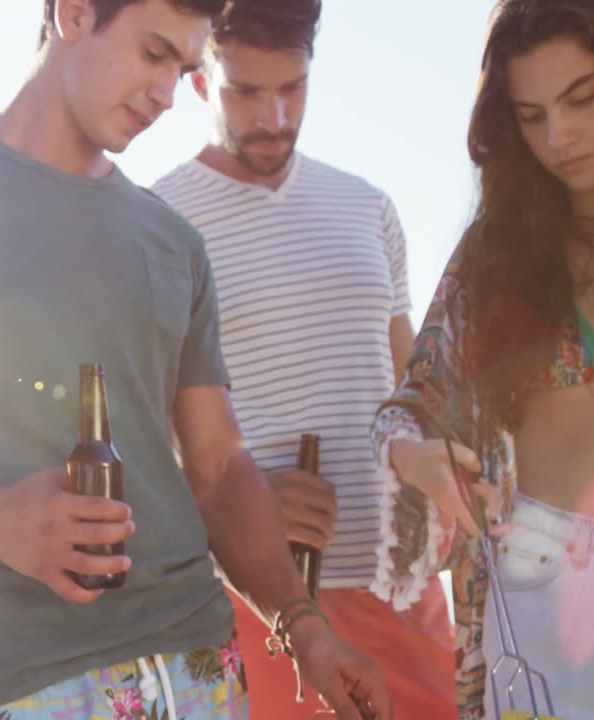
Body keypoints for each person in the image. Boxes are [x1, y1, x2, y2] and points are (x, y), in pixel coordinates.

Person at [0, 1, 392, 718]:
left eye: (181, 69)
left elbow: (218, 468)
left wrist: (303, 626)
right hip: (19, 681)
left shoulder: (174, 242)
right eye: (152, 55)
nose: (167, 94)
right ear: (74, 13)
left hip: (204, 669)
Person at [151, 1, 457, 717]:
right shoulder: (157, 225)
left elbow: (417, 396)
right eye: (245, 92)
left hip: (398, 592)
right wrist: (242, 504)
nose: (274, 117)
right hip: (256, 603)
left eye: (293, 89)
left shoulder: (368, 208)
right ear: (200, 80)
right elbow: (137, 429)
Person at [370, 0, 594, 718]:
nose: (558, 135)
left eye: (581, 99)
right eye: (530, 113)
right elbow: (407, 409)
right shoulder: (499, 255)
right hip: (543, 586)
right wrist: (418, 459)